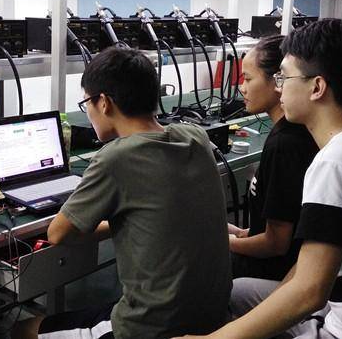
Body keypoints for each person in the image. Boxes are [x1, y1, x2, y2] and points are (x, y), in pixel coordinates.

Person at [180, 18, 342, 339]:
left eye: (284, 77)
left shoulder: (339, 162)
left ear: (317, 87)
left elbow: (309, 293)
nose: (279, 86)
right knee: (240, 293)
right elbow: (309, 269)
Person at [13, 47, 231, 339]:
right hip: (213, 315)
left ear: (104, 102)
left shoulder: (115, 158)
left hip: (148, 328)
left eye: (87, 103)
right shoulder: (195, 136)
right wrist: (127, 222)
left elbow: (57, 234)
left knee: (22, 329)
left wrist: (114, 222)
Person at [229, 35, 318, 282]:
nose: (242, 88)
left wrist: (224, 242)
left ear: (278, 80)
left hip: (272, 270)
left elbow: (276, 244)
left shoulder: (284, 145)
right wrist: (244, 233)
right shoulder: (290, 132)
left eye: (248, 79)